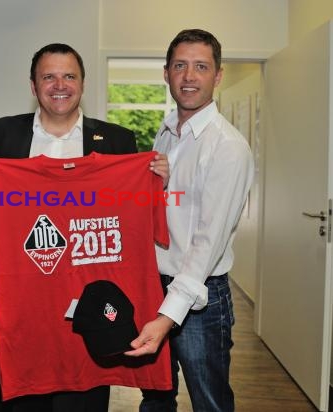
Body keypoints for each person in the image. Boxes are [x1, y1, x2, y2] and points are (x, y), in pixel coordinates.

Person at [0, 43, 169, 412]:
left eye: (69, 76)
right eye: (49, 76)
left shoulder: (118, 141)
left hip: (89, 309)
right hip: (25, 308)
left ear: (82, 83)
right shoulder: (0, 135)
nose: (59, 84)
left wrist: (158, 183)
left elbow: (132, 223)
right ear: (33, 86)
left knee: (84, 400)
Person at [124, 29, 255, 412]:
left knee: (209, 401)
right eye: (180, 66)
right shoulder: (165, 134)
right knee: (156, 396)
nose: (189, 76)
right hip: (155, 284)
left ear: (218, 76)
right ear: (166, 73)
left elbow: (206, 242)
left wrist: (167, 316)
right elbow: (165, 211)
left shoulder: (227, 147)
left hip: (201, 298)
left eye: (201, 67)